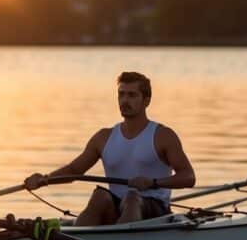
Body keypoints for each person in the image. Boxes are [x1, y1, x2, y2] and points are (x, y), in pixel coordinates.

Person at [24, 71, 195, 225]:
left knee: (132, 197)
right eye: (121, 95)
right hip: (118, 208)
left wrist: (154, 183)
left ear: (146, 100)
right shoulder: (103, 137)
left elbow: (188, 177)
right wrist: (44, 180)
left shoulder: (162, 136)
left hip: (154, 210)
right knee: (99, 196)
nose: (125, 100)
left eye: (132, 95)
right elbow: (74, 169)